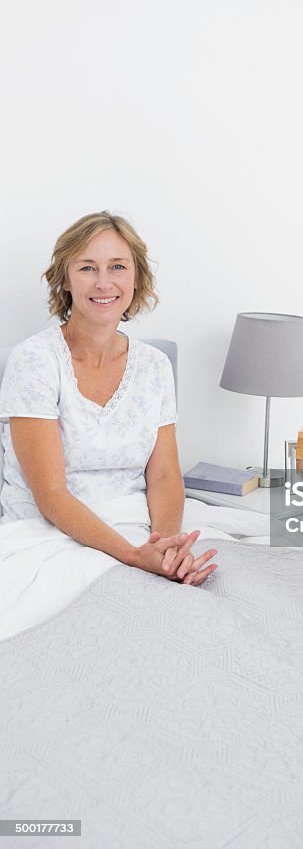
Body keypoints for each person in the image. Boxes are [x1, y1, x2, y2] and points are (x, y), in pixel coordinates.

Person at [0, 211, 218, 591]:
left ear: (136, 278)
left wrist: (165, 547)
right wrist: (135, 557)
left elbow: (165, 474)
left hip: (137, 526)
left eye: (117, 266)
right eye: (87, 267)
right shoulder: (34, 361)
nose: (104, 282)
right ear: (65, 280)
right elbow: (51, 495)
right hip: (48, 534)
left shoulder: (154, 365)